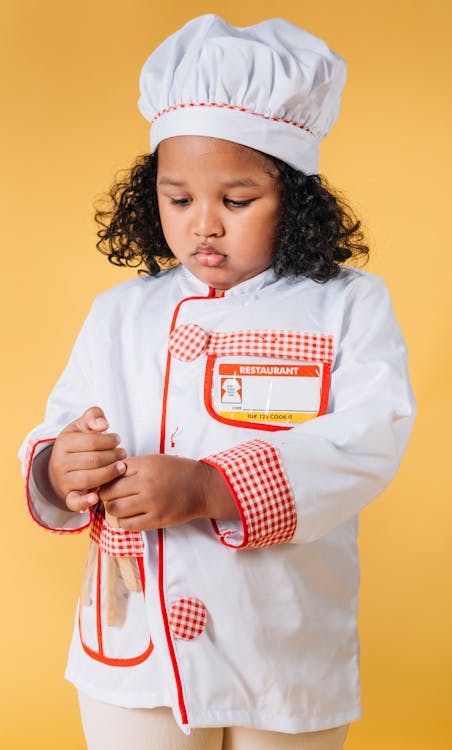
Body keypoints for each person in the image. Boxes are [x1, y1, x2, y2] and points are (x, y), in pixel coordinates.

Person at [19, 14, 416, 750]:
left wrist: (213, 487)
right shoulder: (121, 313)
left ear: (294, 197)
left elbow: (370, 436)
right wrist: (55, 463)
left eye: (236, 202)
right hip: (135, 641)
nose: (204, 224)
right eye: (178, 199)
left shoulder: (348, 304)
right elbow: (66, 422)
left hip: (281, 640)